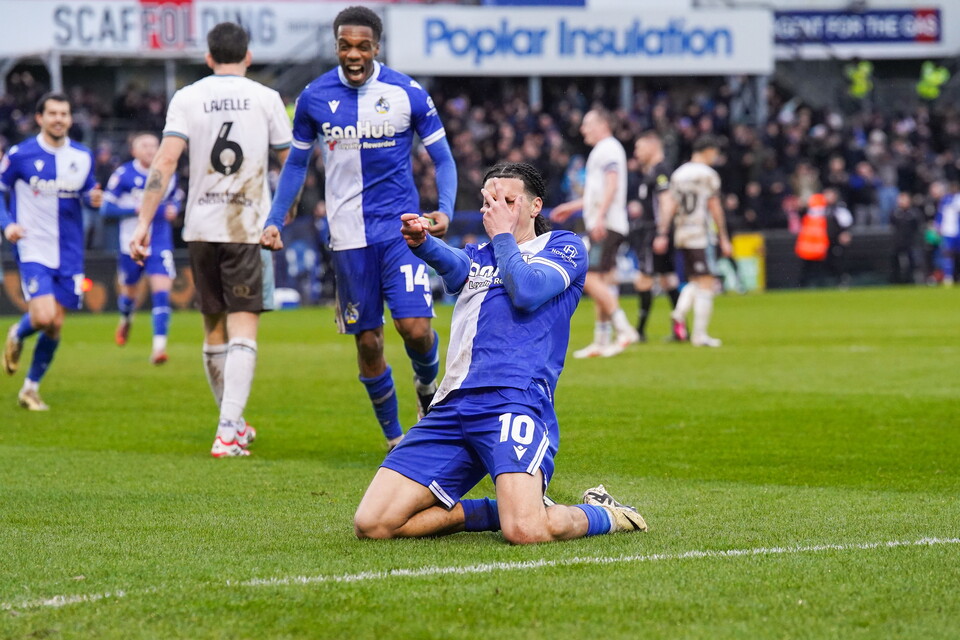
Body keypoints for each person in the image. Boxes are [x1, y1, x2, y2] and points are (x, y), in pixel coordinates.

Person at [354, 162, 647, 544]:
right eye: (490, 201)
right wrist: (422, 241)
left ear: (535, 206)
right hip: (453, 404)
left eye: (509, 201)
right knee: (373, 524)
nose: (496, 209)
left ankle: (605, 514)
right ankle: (499, 509)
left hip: (513, 399)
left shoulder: (563, 246)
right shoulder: (481, 255)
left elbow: (527, 291)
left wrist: (503, 236)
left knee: (525, 531)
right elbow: (455, 262)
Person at [262, 6, 456, 450]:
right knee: (368, 343)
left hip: (403, 231)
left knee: (416, 329)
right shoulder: (313, 97)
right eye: (345, 46)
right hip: (348, 236)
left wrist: (444, 208)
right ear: (336, 46)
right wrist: (275, 219)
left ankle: (427, 390)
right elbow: (296, 164)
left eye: (362, 46)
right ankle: (395, 440)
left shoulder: (406, 92)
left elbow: (443, 158)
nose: (353, 54)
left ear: (376, 48)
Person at [129, 22, 293, 457]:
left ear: (208, 58)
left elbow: (165, 160)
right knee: (244, 327)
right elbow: (290, 162)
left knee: (213, 326)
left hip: (200, 225)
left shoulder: (187, 96)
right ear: (248, 56)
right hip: (247, 225)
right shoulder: (267, 97)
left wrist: (143, 222)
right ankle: (227, 430)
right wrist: (283, 214)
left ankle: (231, 422)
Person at [1, 92, 103, 409]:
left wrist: (94, 200)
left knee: (56, 324)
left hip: (70, 251)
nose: (59, 119)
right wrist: (7, 224)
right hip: (33, 245)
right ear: (40, 118)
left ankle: (30, 389)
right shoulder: (20, 154)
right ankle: (18, 332)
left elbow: (88, 195)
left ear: (70, 119)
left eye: (64, 114)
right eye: (53, 113)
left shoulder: (82, 156)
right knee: (44, 316)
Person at [550, 108, 638, 358]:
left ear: (602, 125)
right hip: (607, 220)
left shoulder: (608, 148)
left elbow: (612, 183)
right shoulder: (606, 149)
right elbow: (598, 192)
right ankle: (601, 340)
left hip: (606, 223)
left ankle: (624, 328)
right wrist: (573, 207)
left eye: (587, 124)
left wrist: (599, 216)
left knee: (588, 276)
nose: (583, 129)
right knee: (603, 281)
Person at [100, 132, 180, 364]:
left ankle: (159, 348)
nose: (150, 149)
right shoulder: (124, 175)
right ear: (134, 150)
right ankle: (126, 319)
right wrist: (136, 210)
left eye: (154, 145)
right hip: (131, 243)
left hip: (160, 241)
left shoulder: (167, 172)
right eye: (144, 145)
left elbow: (176, 198)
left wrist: (174, 208)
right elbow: (106, 209)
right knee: (129, 295)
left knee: (162, 293)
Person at [654, 135, 731, 348]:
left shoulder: (678, 174)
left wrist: (663, 232)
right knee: (707, 282)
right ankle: (699, 335)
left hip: (682, 233)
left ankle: (679, 311)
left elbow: (670, 205)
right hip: (700, 234)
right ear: (708, 151)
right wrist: (724, 236)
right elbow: (714, 207)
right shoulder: (708, 175)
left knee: (696, 279)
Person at [628, 130, 684, 342]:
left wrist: (662, 232)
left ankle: (639, 331)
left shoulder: (661, 171)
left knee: (643, 279)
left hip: (654, 232)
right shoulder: (652, 172)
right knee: (668, 279)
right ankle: (681, 330)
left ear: (653, 146)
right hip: (654, 230)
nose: (636, 153)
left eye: (639, 147)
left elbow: (667, 201)